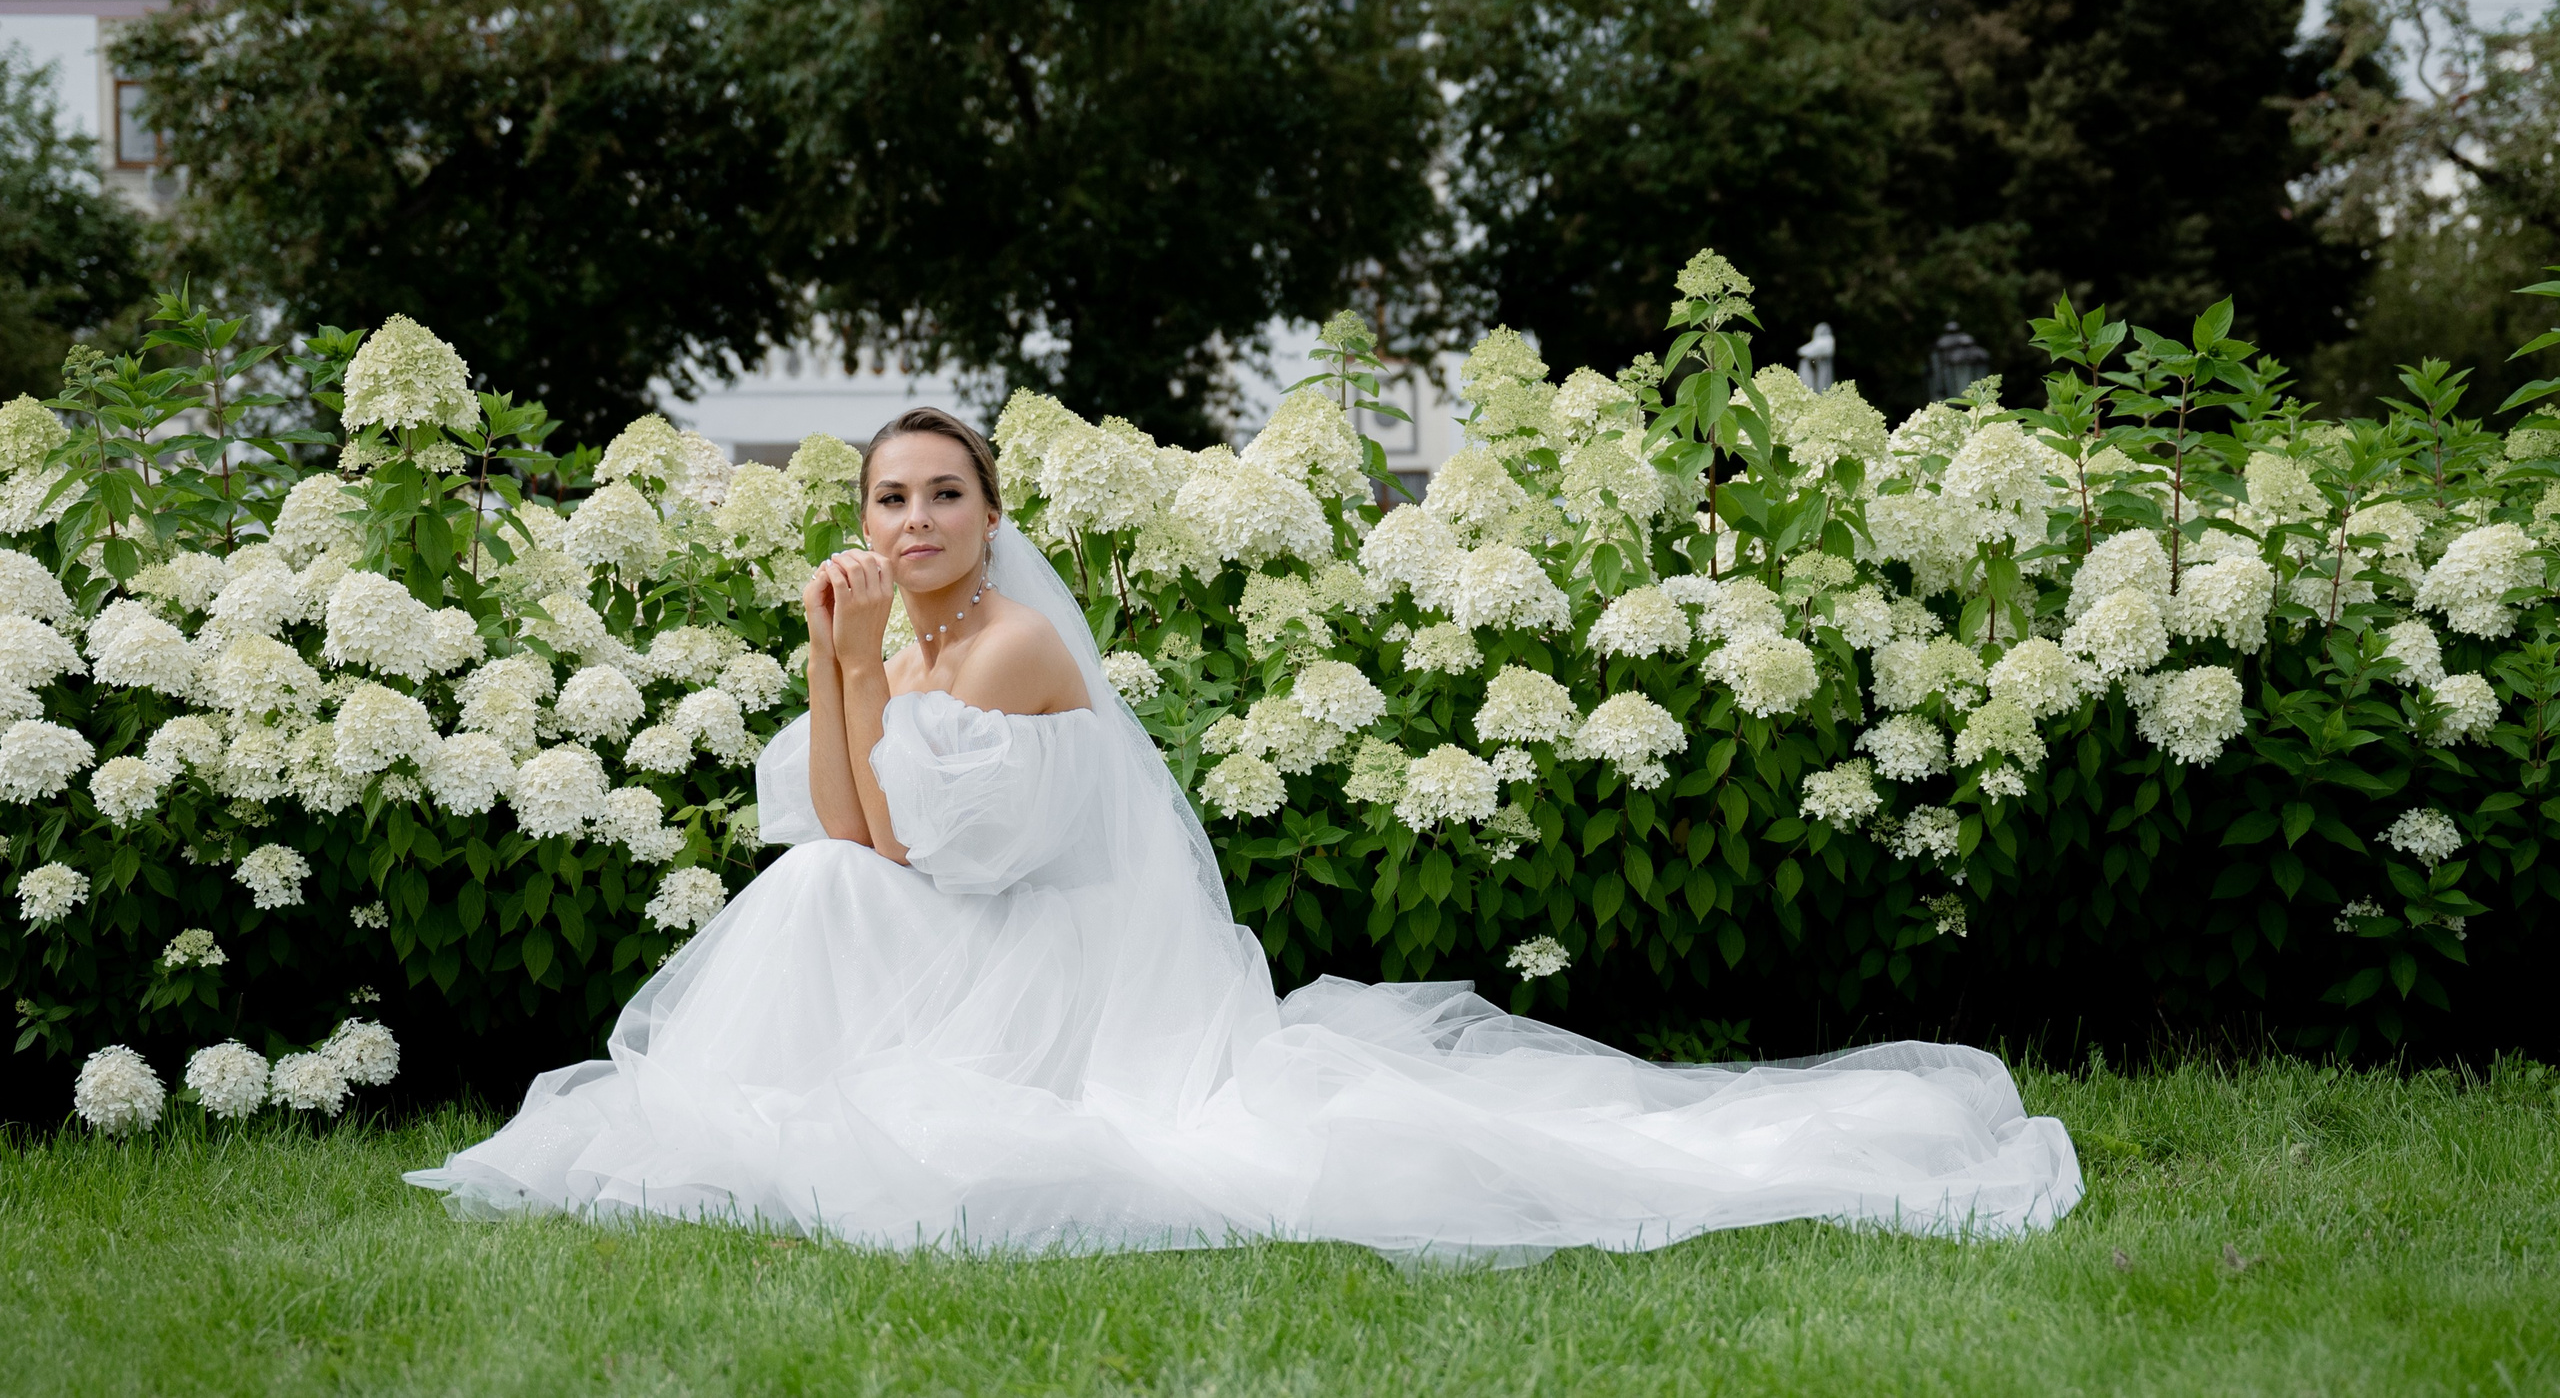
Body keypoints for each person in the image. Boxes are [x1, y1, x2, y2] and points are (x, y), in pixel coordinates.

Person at [407, 408, 2080, 1261]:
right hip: (951, 911)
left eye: (940, 498)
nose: (907, 524)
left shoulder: (1008, 646)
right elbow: (850, 821)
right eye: (884, 500)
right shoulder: (895, 637)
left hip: (1055, 959)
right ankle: (749, 1116)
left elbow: (914, 863)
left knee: (823, 905)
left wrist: (862, 674)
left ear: (992, 519)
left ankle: (750, 1112)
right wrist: (842, 668)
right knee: (814, 888)